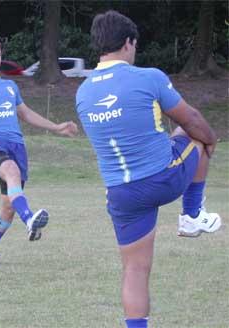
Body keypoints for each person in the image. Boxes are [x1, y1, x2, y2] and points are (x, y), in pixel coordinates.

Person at [75, 10, 222, 328]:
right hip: (162, 177)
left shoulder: (83, 92)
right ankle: (192, 215)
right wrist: (211, 141)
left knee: (135, 270)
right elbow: (191, 119)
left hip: (121, 193)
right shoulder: (148, 76)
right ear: (128, 43)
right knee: (195, 137)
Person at [0, 38, 78, 268]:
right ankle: (30, 219)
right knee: (10, 171)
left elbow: (26, 114)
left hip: (17, 146)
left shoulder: (10, 87)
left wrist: (56, 127)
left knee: (9, 206)